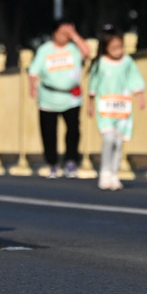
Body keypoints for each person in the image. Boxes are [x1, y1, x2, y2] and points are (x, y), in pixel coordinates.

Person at [28, 20, 92, 178]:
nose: (65, 36)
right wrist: (32, 86)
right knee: (49, 133)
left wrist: (74, 36)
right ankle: (52, 164)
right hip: (48, 98)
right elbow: (33, 71)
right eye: (62, 32)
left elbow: (87, 53)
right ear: (54, 33)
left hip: (71, 97)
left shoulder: (74, 48)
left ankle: (71, 161)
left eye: (68, 33)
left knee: (73, 131)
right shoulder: (45, 50)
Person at [86, 25, 146, 191]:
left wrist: (139, 96)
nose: (118, 51)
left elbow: (135, 78)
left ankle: (114, 174)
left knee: (119, 142)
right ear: (105, 48)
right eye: (114, 48)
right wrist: (90, 103)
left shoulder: (127, 62)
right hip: (105, 109)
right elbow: (93, 85)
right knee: (109, 139)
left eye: (120, 47)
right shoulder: (100, 64)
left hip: (122, 109)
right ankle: (105, 172)